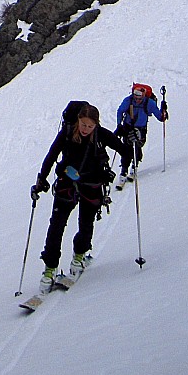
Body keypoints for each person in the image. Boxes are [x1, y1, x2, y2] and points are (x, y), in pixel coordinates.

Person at [31, 103, 124, 291]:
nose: (86, 130)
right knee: (56, 226)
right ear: (78, 121)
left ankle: (78, 257)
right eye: (83, 125)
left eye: (90, 126)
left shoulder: (101, 134)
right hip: (71, 185)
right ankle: (50, 269)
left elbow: (123, 149)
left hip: (88, 186)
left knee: (85, 223)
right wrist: (41, 180)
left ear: (96, 125)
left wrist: (132, 152)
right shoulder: (67, 133)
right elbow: (51, 156)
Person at [114, 84, 168, 188]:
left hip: (141, 129)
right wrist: (119, 125)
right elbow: (120, 111)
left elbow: (160, 117)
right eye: (135, 97)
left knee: (137, 147)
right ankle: (124, 171)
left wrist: (163, 110)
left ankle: (134, 166)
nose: (137, 100)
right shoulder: (128, 101)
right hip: (128, 127)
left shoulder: (149, 103)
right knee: (126, 149)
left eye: (140, 97)